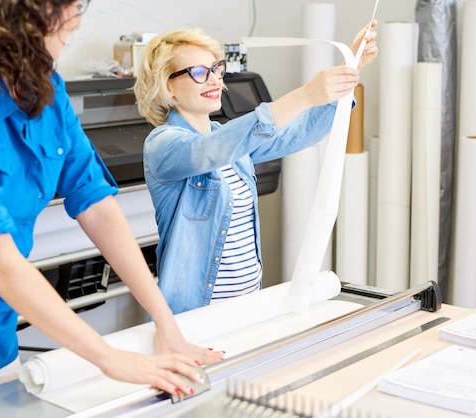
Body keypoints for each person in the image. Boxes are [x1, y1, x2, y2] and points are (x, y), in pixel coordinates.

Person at [0, 0, 222, 410]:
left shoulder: (45, 88)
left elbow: (95, 204)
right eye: (67, 7)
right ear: (21, 14)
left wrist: (165, 322)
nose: (77, 17)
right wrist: (111, 360)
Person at [133, 24, 378, 315]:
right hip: (195, 315)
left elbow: (301, 132)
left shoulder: (232, 143)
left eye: (216, 69)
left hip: (247, 304)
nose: (213, 80)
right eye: (198, 72)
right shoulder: (163, 144)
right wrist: (304, 95)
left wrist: (347, 70)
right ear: (168, 87)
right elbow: (210, 149)